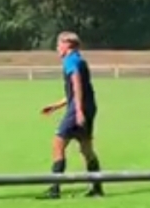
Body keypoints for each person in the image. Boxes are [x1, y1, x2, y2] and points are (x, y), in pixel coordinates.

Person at [38, 31, 104, 199]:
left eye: (58, 44)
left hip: (78, 109)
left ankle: (55, 189)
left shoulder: (70, 61)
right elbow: (77, 92)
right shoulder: (79, 59)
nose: (57, 48)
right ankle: (97, 188)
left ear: (67, 45)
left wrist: (78, 111)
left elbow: (76, 84)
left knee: (58, 144)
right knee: (86, 149)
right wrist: (56, 106)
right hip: (88, 107)